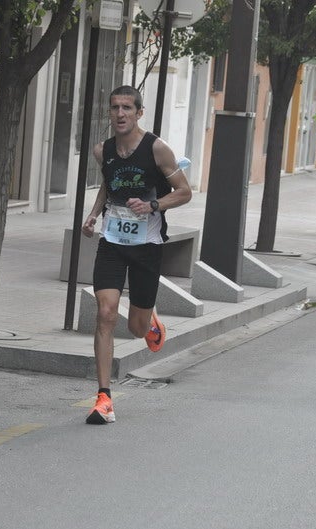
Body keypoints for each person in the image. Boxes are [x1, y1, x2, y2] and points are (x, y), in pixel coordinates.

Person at [81, 85, 192, 424]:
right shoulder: (104, 150)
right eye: (115, 107)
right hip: (112, 243)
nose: (120, 114)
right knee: (105, 313)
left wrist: (153, 205)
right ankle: (104, 398)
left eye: (127, 107)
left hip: (147, 246)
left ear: (139, 112)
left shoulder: (157, 149)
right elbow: (108, 183)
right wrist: (94, 214)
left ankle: (150, 318)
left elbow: (185, 192)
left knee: (136, 328)